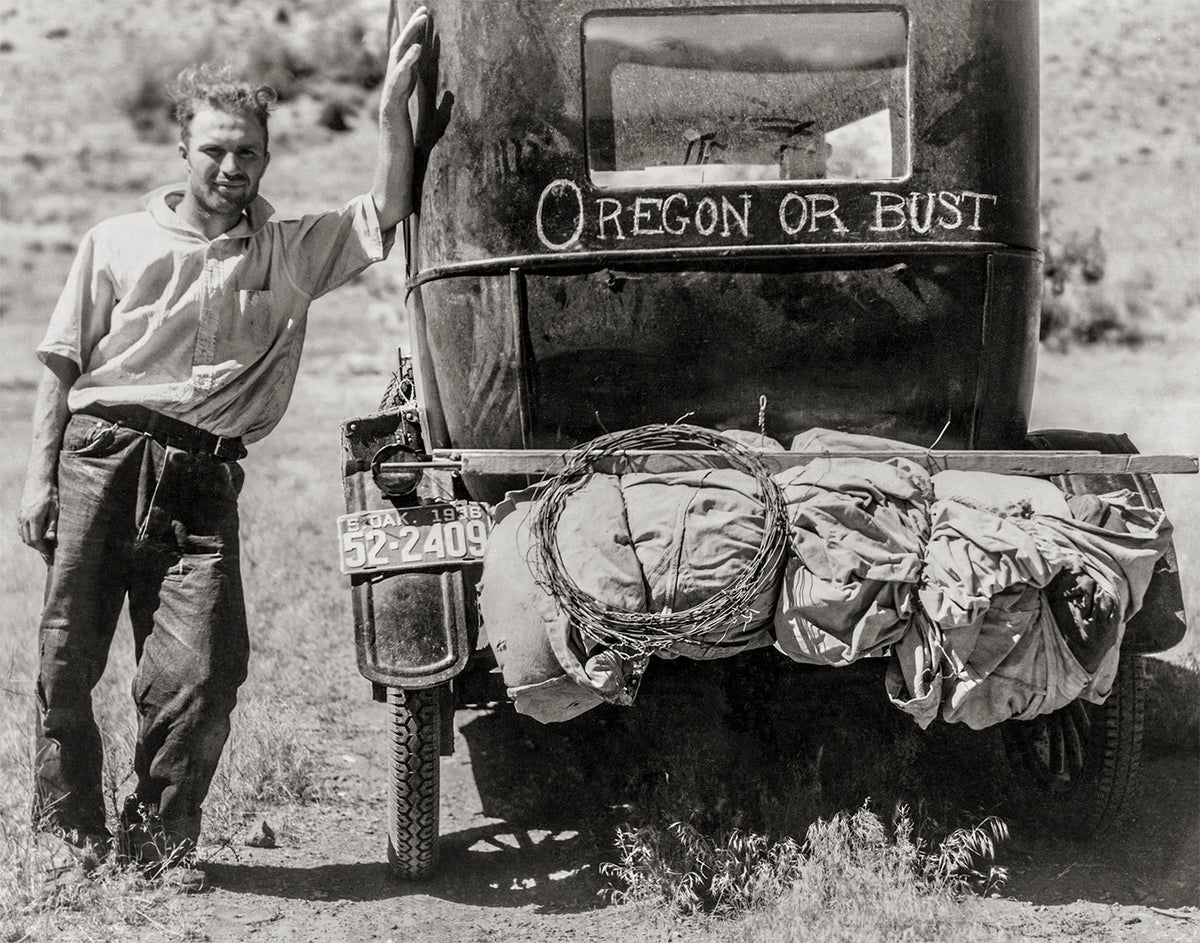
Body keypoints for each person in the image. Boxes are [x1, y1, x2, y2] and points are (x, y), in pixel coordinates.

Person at [16, 7, 430, 891]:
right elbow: (59, 365)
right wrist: (36, 482)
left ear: (266, 157)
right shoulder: (115, 243)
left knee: (201, 674)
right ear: (182, 151)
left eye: (247, 151)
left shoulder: (290, 250)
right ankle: (69, 838)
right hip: (103, 457)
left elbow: (387, 207)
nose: (231, 167)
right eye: (214, 149)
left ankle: (158, 846)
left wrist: (393, 102)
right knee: (65, 663)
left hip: (202, 479)